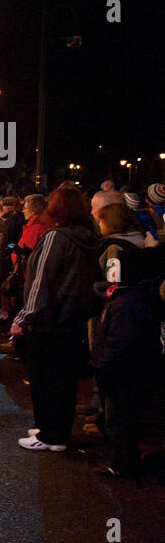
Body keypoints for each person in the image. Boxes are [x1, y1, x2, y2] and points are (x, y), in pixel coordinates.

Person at [11, 188, 101, 451]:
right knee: (64, 380)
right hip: (73, 320)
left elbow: (43, 281)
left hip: (49, 321)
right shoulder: (87, 239)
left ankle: (50, 434)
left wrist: (25, 317)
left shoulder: (56, 237)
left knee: (44, 379)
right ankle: (56, 430)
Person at [90, 203, 157, 478]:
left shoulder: (114, 249)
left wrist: (99, 289)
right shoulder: (145, 243)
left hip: (121, 318)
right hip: (143, 323)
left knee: (119, 399)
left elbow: (111, 284)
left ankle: (122, 462)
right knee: (129, 398)